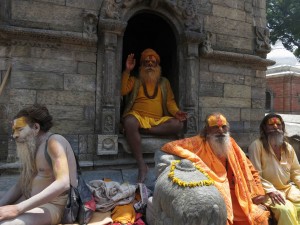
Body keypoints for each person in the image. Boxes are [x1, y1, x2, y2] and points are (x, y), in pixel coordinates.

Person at [161, 112, 270, 225]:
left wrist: (258, 192)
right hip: (215, 193)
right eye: (215, 127)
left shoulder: (231, 144)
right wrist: (195, 159)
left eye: (223, 127)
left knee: (258, 217)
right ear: (207, 130)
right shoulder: (197, 143)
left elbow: (249, 167)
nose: (220, 131)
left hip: (238, 195)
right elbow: (169, 146)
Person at [0, 104, 78, 225]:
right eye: (13, 131)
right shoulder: (31, 147)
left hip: (52, 206)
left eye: (20, 130)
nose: (14, 135)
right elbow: (21, 184)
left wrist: (17, 209)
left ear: (36, 127)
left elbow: (63, 183)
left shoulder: (55, 142)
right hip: (28, 201)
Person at [121, 48, 187, 183]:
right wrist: (127, 70)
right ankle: (141, 165)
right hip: (138, 117)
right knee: (129, 122)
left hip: (157, 121)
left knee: (178, 124)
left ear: (158, 65)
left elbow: (170, 102)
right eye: (146, 62)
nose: (150, 65)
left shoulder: (164, 82)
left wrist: (176, 112)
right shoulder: (135, 80)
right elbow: (122, 91)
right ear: (141, 65)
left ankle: (145, 130)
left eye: (153, 62)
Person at [248, 113, 300, 225]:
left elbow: (296, 171)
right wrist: (271, 191)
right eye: (271, 125)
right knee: (286, 210)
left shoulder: (288, 147)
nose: (276, 127)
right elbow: (255, 174)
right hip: (267, 192)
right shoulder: (257, 146)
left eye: (279, 124)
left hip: (287, 188)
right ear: (264, 128)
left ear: (283, 127)